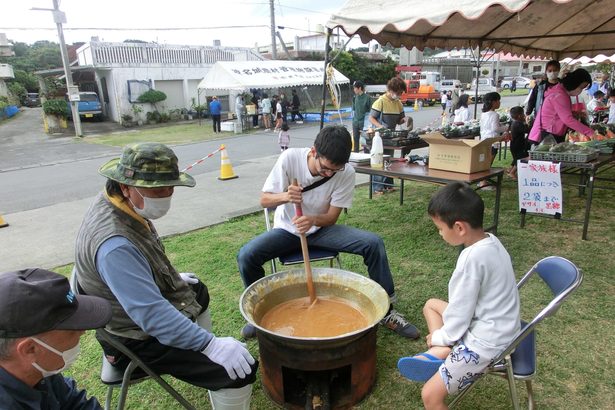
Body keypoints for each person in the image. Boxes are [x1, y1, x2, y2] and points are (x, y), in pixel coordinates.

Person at [74, 143, 258, 408]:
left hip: (127, 309)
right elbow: (152, 317)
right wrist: (210, 346)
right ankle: (211, 362)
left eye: (170, 187)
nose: (167, 195)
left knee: (198, 291)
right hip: (132, 337)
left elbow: (131, 271)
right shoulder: (115, 245)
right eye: (158, 189)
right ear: (127, 186)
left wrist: (150, 280)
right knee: (239, 371)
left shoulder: (116, 200)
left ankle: (204, 359)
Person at [237, 126, 419, 340]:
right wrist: (285, 196)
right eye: (325, 168)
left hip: (322, 229)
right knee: (247, 255)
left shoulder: (346, 172)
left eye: (335, 170)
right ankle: (257, 314)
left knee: (373, 243)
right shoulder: (290, 159)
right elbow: (264, 199)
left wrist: (312, 220)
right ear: (314, 151)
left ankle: (388, 311)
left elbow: (332, 217)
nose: (329, 174)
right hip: (287, 231)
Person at [397, 182, 520, 410]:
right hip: (500, 324)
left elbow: (460, 316)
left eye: (440, 228)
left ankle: (438, 349)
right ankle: (440, 352)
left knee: (430, 396)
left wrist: (439, 336)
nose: (440, 233)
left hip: (486, 342)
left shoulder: (470, 261)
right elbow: (463, 309)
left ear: (459, 227)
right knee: (431, 305)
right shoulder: (492, 241)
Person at [0, 268, 113, 409]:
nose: (82, 332)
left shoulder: (39, 372)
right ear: (30, 349)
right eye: (71, 330)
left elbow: (75, 404)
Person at [528, 68, 595, 146]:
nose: (581, 91)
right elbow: (568, 120)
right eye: (581, 87)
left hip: (548, 133)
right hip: (548, 135)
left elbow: (557, 113)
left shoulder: (559, 91)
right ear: (575, 83)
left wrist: (573, 113)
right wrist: (590, 132)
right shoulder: (560, 95)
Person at [369, 77, 407, 195]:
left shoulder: (398, 103)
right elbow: (371, 117)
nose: (400, 95)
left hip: (391, 137)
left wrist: (406, 119)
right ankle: (377, 187)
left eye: (401, 92)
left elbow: (400, 120)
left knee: (389, 160)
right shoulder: (380, 101)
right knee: (378, 160)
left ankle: (388, 185)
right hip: (379, 137)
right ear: (391, 90)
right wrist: (380, 126)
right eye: (398, 92)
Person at [479, 92, 509, 189]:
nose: (499, 103)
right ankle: (483, 182)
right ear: (493, 102)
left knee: (485, 161)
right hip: (492, 141)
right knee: (488, 162)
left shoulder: (484, 114)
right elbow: (495, 128)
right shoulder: (494, 114)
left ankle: (483, 180)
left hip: (484, 139)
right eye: (498, 101)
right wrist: (506, 128)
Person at [508, 106, 530, 180]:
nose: (524, 115)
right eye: (523, 114)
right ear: (520, 116)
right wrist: (526, 122)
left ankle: (510, 169)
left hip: (514, 145)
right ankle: (512, 173)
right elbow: (527, 130)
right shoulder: (518, 124)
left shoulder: (514, 122)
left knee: (516, 158)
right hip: (518, 145)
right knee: (521, 159)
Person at [351, 80, 372, 153]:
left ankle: (366, 156)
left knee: (365, 141)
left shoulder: (367, 98)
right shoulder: (354, 97)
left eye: (355, 88)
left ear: (359, 88)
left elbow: (370, 111)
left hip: (364, 123)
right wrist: (353, 120)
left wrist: (368, 125)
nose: (354, 90)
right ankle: (356, 155)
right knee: (355, 139)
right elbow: (353, 109)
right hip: (355, 122)